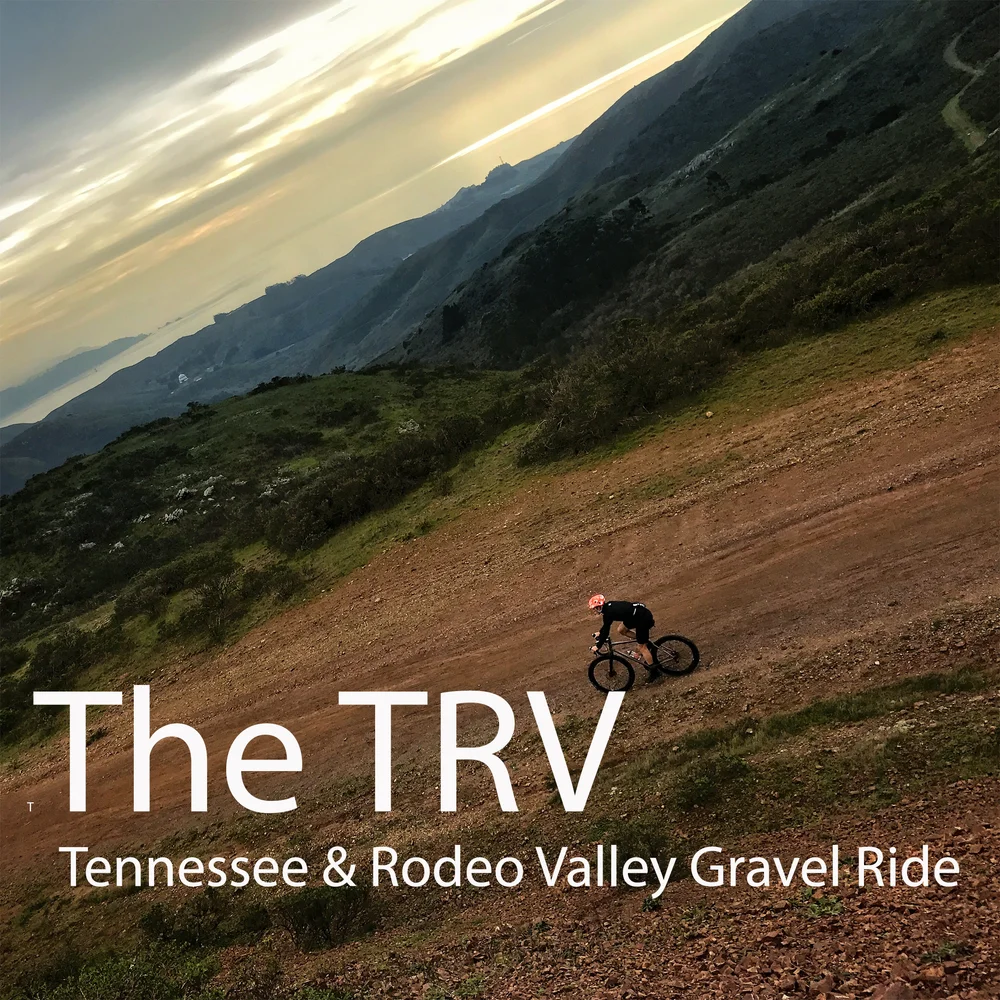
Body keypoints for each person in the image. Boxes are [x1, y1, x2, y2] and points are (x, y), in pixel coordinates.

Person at [589, 594, 656, 668]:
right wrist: (600, 632)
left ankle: (653, 669)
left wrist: (598, 646)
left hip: (642, 618)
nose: (594, 610)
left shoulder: (608, 613)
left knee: (642, 647)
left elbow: (606, 631)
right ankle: (643, 640)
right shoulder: (608, 608)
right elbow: (606, 625)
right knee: (621, 629)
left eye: (595, 608)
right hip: (635, 615)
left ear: (599, 607)